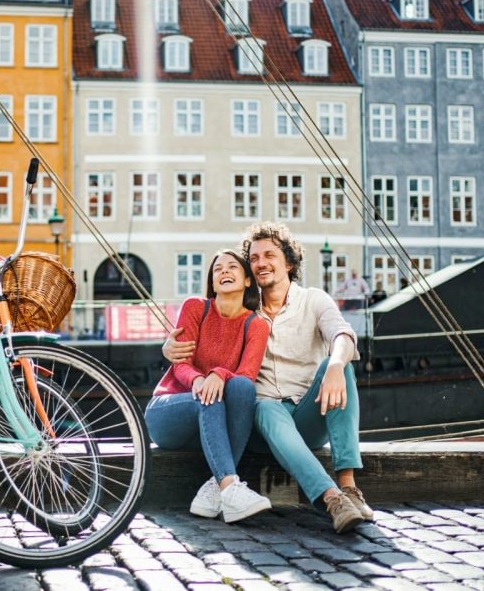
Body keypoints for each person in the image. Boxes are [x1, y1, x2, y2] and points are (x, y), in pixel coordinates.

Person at [165, 222, 372, 534]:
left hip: (308, 412)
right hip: (263, 423)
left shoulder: (313, 300)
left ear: (288, 262)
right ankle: (332, 499)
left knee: (340, 365)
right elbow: (206, 339)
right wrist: (168, 346)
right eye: (255, 258)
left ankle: (349, 487)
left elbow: (343, 334)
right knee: (267, 408)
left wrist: (335, 364)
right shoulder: (244, 312)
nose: (261, 262)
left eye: (269, 255)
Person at [145, 249, 272, 523]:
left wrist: (218, 374)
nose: (224, 271)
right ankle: (230, 487)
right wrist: (201, 379)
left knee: (243, 388)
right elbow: (180, 364)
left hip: (211, 422)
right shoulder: (195, 308)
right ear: (213, 283)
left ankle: (215, 491)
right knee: (209, 395)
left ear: (248, 280)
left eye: (232, 267)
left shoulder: (256, 324)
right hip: (169, 413)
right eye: (218, 269)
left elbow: (246, 375)